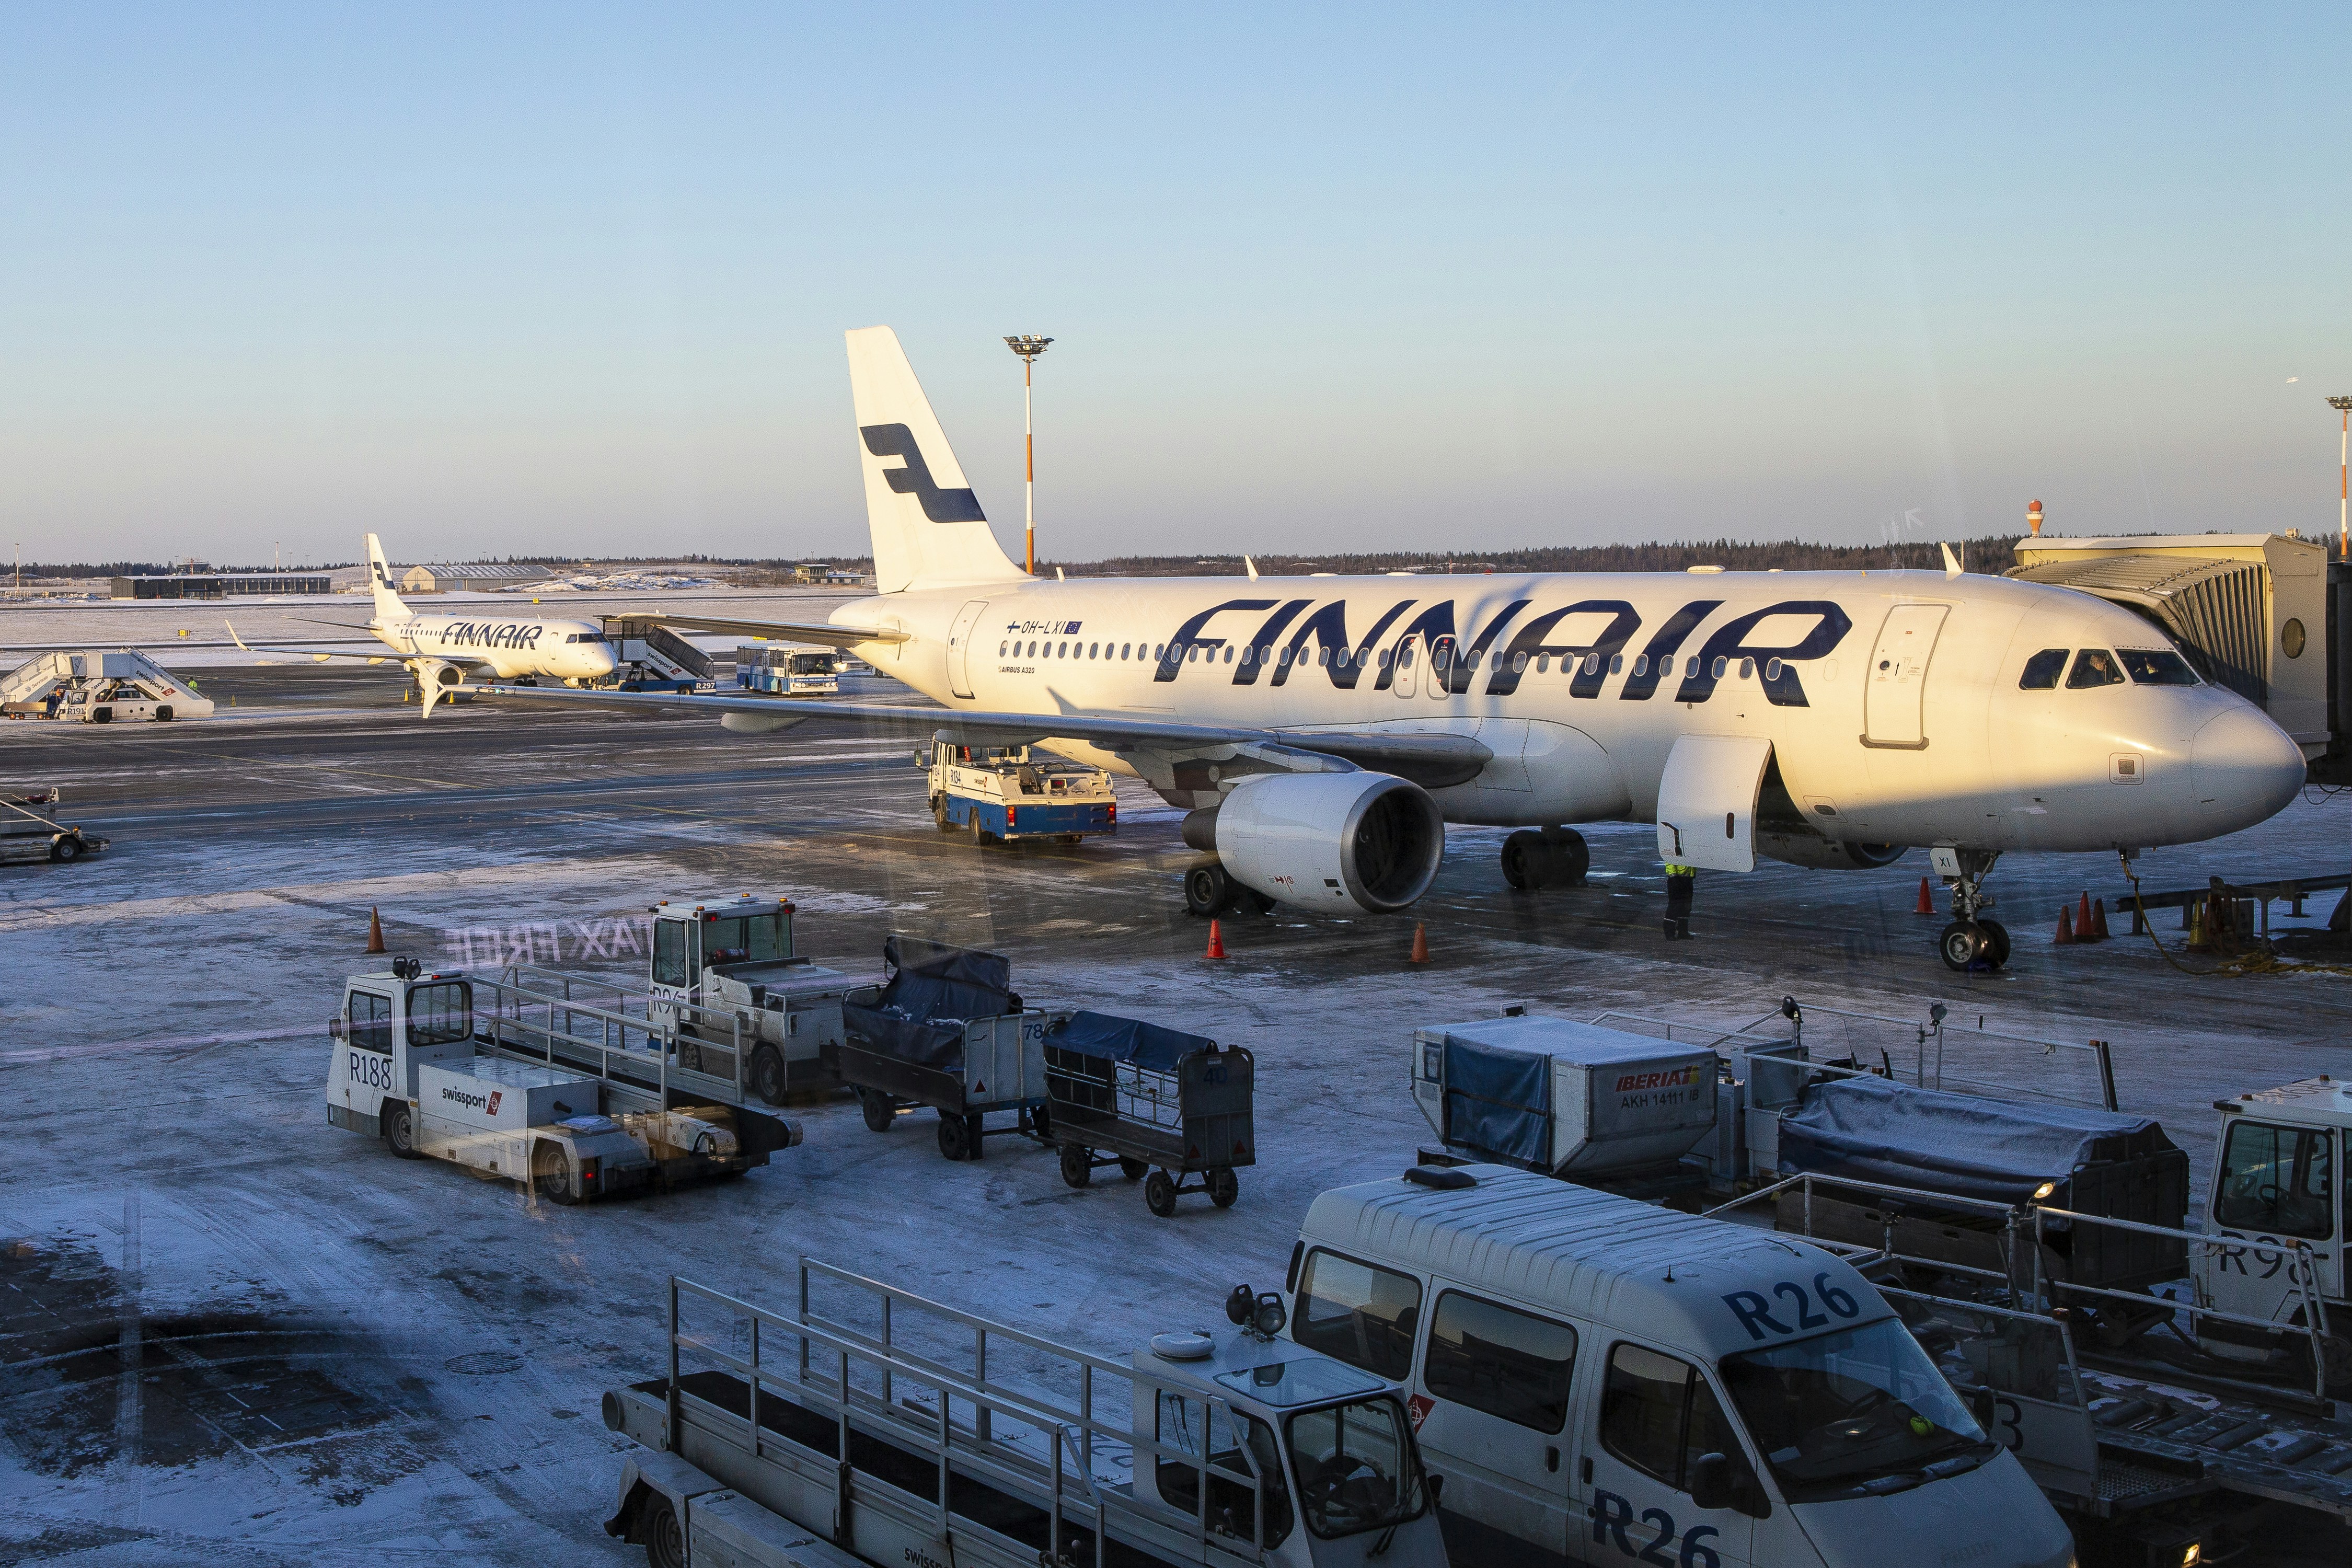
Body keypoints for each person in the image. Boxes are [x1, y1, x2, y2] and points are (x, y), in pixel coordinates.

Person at [1663, 862, 1695, 940]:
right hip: (1677, 880)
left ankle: (1683, 932)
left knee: (1686, 907)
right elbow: (1670, 860)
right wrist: (1673, 877)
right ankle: (1669, 933)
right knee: (1675, 906)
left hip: (1687, 879)